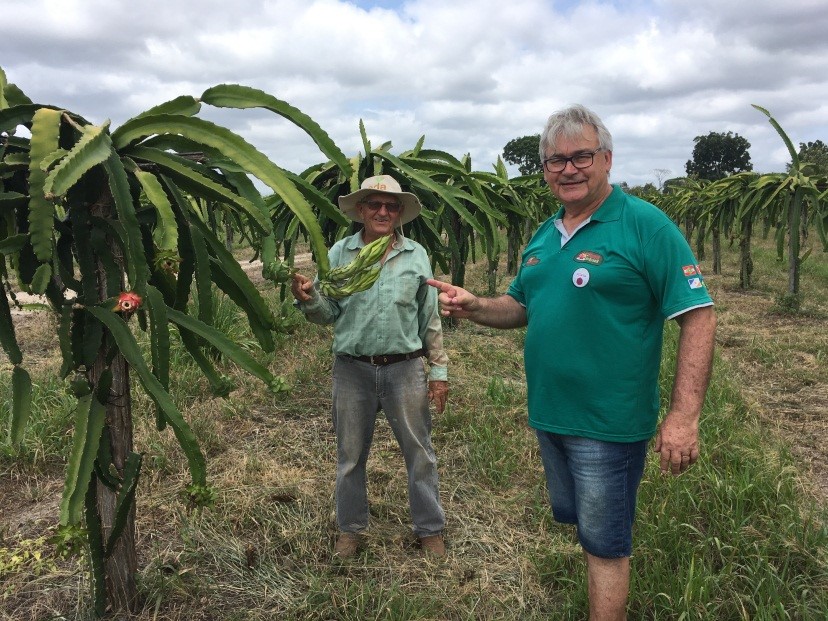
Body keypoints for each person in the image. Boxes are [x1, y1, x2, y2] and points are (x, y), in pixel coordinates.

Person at [428, 105, 716, 619]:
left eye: (581, 156)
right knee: (582, 525)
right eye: (555, 160)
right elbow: (520, 306)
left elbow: (697, 315)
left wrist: (684, 415)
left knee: (606, 543)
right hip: (550, 415)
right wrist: (474, 306)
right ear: (544, 170)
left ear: (606, 158)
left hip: (608, 422)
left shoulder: (644, 225)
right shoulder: (543, 236)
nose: (568, 169)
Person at [291, 175, 449, 559]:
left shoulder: (416, 255)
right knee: (350, 456)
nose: (383, 211)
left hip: (405, 368)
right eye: (375, 205)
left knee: (420, 453)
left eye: (391, 206)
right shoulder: (339, 254)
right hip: (352, 369)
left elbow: (429, 317)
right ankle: (351, 530)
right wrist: (310, 299)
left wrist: (439, 371)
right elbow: (328, 313)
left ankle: (430, 529)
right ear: (361, 210)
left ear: (399, 213)